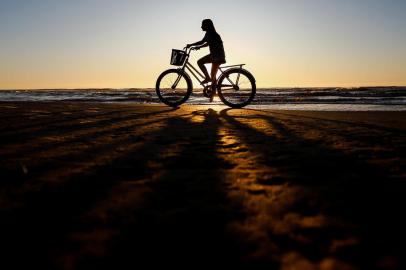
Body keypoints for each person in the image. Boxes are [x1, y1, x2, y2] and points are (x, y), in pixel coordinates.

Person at [186, 19, 226, 86]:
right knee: (213, 75)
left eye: (203, 25)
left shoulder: (211, 33)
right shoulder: (209, 33)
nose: (201, 27)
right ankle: (213, 92)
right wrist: (198, 47)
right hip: (215, 55)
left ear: (207, 26)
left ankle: (208, 78)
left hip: (217, 56)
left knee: (200, 62)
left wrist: (191, 45)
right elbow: (208, 43)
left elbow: (202, 42)